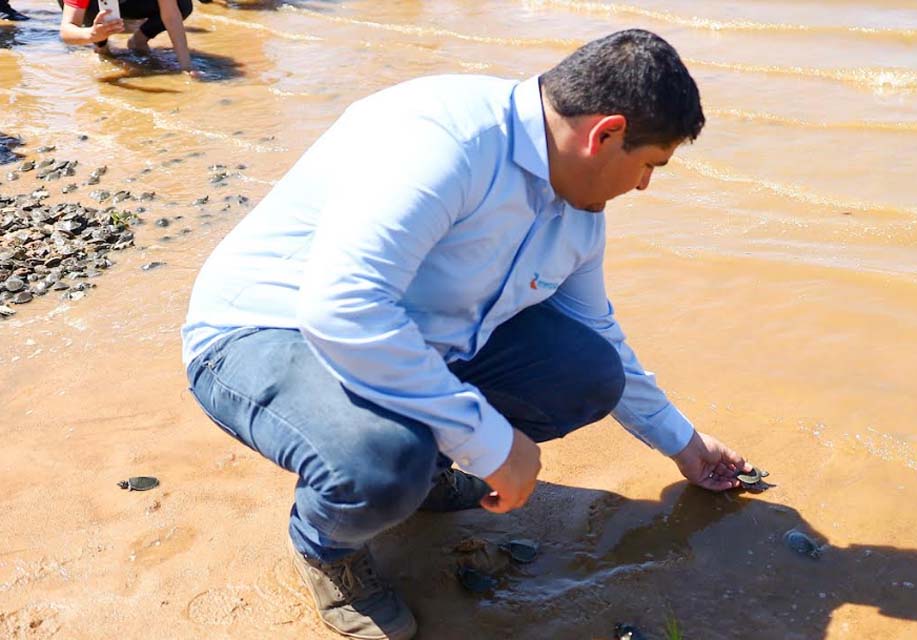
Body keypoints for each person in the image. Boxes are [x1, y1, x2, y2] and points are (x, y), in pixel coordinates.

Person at [183, 29, 752, 640]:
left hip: (410, 339)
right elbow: (343, 309)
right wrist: (487, 442)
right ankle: (325, 545)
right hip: (265, 328)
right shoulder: (447, 139)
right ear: (605, 133)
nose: (644, 186)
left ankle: (422, 477)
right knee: (381, 462)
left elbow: (599, 338)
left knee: (589, 374)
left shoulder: (579, 215)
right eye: (649, 166)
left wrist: (684, 445)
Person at [57, 0, 194, 72]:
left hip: (132, 4)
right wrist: (92, 34)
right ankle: (101, 46)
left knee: (183, 4)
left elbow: (171, 16)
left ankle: (139, 40)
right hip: (93, 7)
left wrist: (186, 67)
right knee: (101, 43)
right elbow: (66, 31)